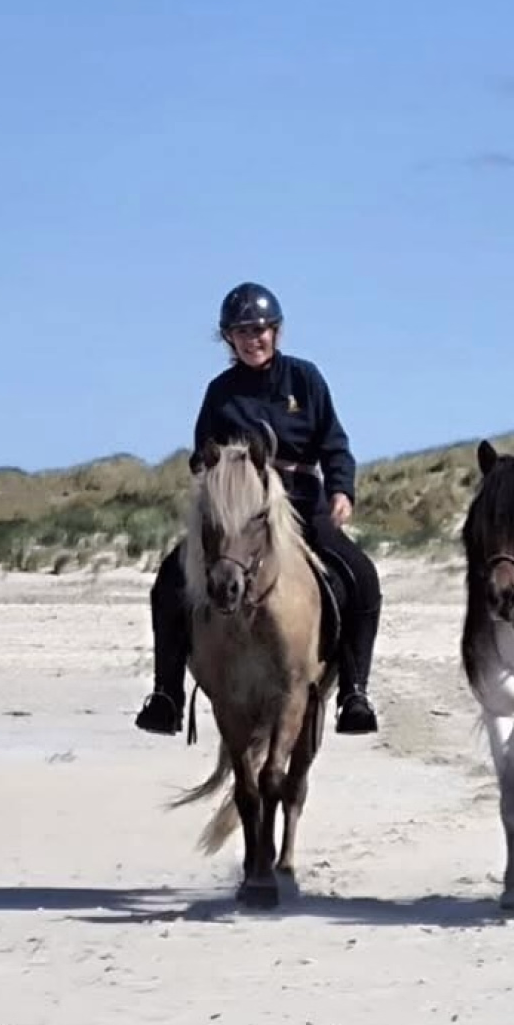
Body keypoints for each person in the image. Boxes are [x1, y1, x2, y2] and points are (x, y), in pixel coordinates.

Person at [134, 281, 382, 737]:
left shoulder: (305, 380)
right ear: (229, 339)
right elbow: (199, 455)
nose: (253, 339)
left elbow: (335, 445)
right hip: (239, 513)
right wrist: (216, 476)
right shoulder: (220, 393)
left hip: (302, 502)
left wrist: (342, 489)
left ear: (277, 332)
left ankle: (354, 692)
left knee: (361, 576)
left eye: (261, 330)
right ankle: (166, 694)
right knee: (168, 580)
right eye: (242, 332)